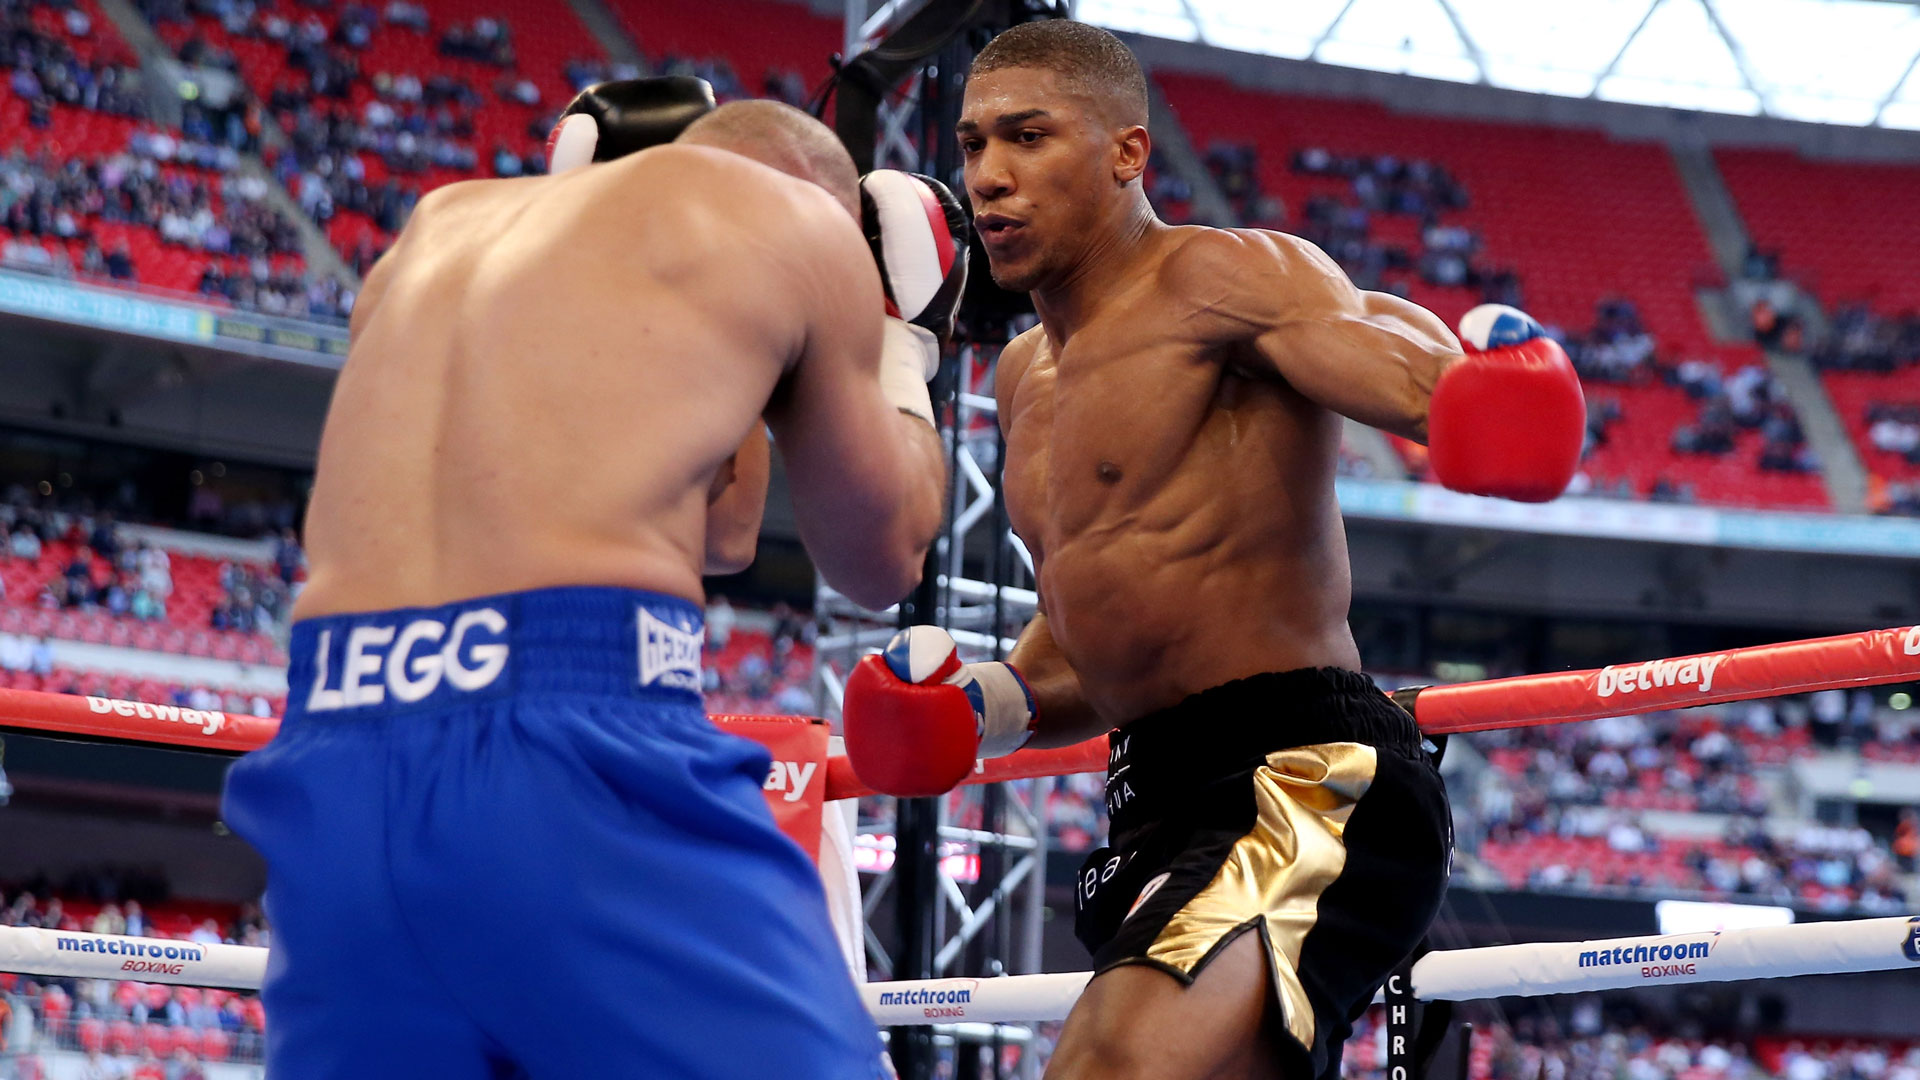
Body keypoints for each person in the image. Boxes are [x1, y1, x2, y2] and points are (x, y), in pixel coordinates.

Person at [842, 21, 1584, 1080]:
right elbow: (1085, 638)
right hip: (1155, 802)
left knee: (1113, 1066)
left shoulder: (1226, 278)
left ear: (1125, 154)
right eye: (971, 146)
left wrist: (1484, 399)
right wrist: (979, 708)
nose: (990, 178)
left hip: (1301, 772)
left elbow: (1399, 357)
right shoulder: (1021, 379)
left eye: (1027, 137)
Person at [220, 77, 962, 1079]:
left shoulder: (437, 228)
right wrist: (900, 342)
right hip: (574, 753)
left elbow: (723, 532)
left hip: (335, 762)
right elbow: (882, 556)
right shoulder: (803, 224)